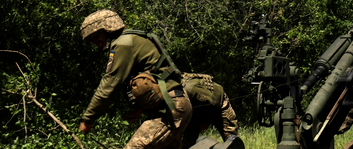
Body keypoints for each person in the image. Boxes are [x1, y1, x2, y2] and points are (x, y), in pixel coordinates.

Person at [78, 9, 192, 148]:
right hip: (172, 106)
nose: (95, 42)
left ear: (108, 29)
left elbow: (110, 84)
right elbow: (149, 78)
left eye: (96, 36)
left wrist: (88, 119)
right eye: (91, 40)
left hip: (171, 109)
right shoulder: (131, 39)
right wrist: (138, 109)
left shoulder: (123, 44)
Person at [179, 73, 241, 149]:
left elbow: (210, 102)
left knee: (232, 140)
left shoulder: (189, 89)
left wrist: (205, 122)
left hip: (220, 103)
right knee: (186, 143)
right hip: (196, 111)